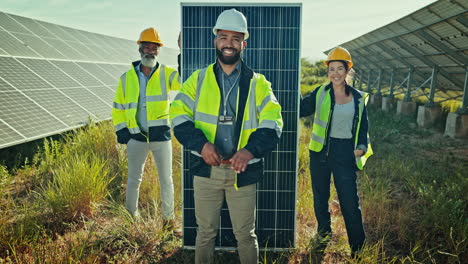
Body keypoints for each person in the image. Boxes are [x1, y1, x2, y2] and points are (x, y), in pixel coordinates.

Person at [170, 9, 283, 264]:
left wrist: (249, 150)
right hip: (206, 170)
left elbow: (273, 122)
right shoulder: (197, 80)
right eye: (223, 37)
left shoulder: (258, 83)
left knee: (245, 234)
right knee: (205, 233)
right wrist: (201, 144)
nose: (228, 43)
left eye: (235, 38)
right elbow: (177, 115)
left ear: (244, 43)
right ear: (215, 41)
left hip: (242, 172)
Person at [299, 46, 373, 256]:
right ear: (327, 71)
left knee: (350, 203)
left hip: (345, 154)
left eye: (340, 68)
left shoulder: (358, 98)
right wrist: (291, 84)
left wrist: (360, 149)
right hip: (320, 153)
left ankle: (358, 249)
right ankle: (323, 236)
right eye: (332, 68)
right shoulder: (320, 93)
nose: (335, 73)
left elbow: (363, 126)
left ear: (347, 70)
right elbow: (302, 110)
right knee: (320, 198)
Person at [111, 27, 181, 236]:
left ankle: (168, 220)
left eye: (154, 47)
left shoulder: (167, 73)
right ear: (140, 49)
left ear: (158, 50)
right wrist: (122, 130)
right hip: (136, 137)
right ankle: (130, 217)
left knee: (166, 180)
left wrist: (182, 51)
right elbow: (118, 107)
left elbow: (183, 80)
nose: (150, 51)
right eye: (147, 47)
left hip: (161, 136)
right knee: (134, 179)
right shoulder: (126, 78)